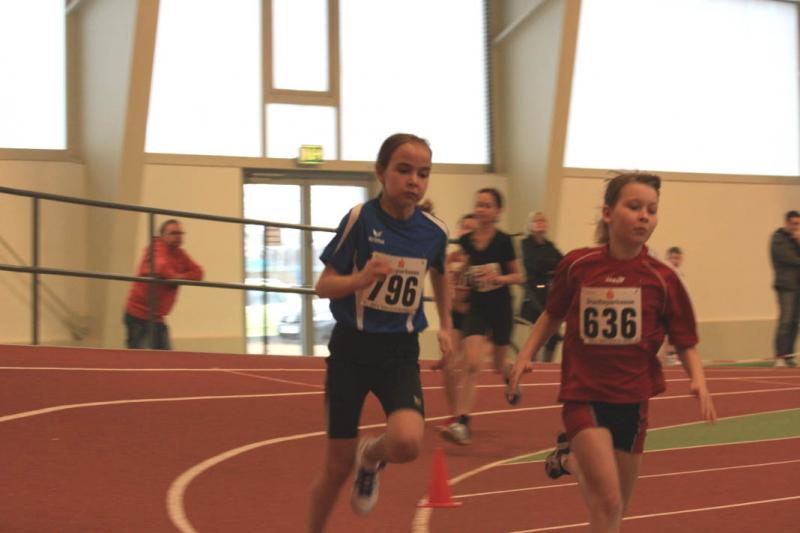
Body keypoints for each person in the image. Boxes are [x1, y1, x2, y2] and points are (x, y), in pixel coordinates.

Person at [510, 172, 716, 533]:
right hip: (585, 395)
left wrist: (698, 380)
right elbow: (553, 314)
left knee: (616, 507)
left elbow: (684, 339)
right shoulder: (579, 265)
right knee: (608, 501)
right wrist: (525, 354)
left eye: (651, 210)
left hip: (633, 403)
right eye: (634, 207)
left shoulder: (663, 278)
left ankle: (570, 461)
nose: (644, 216)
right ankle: (575, 456)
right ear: (608, 213)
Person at [308, 133, 452, 532]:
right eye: (403, 170)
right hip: (351, 350)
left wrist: (447, 325)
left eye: (423, 173)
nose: (414, 181)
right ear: (380, 172)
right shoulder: (360, 219)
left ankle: (370, 457)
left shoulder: (435, 232)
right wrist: (359, 279)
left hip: (398, 352)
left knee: (407, 442)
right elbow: (323, 286)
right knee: (336, 466)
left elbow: (441, 274)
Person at [441, 188, 525, 446]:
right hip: (477, 308)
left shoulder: (503, 241)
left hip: (500, 308)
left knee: (498, 365)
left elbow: (519, 276)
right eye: (479, 204)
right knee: (472, 363)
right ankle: (462, 423)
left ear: (498, 211)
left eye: (487, 205)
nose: (481, 209)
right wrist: (456, 271)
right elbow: (460, 263)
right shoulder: (466, 241)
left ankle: (509, 373)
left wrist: (498, 278)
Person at [123, 219, 204, 349]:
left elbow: (199, 273)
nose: (178, 236)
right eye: (173, 233)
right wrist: (176, 276)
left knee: (165, 357)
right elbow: (160, 267)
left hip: (157, 317)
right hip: (138, 315)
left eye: (180, 233)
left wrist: (180, 277)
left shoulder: (180, 254)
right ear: (163, 236)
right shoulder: (154, 248)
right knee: (140, 357)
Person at [520, 211, 563, 363]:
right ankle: (531, 360)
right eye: (536, 221)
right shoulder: (526, 244)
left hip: (548, 291)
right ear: (530, 226)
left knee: (553, 334)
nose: (540, 223)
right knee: (536, 332)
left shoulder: (550, 246)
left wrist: (550, 268)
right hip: (534, 293)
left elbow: (562, 263)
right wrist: (550, 267)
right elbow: (534, 264)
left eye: (543, 220)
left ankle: (547, 364)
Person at [770, 210, 800, 368]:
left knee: (795, 322)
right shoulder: (778, 238)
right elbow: (791, 259)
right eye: (794, 223)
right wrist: (797, 242)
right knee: (786, 321)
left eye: (799, 224)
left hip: (797, 285)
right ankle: (780, 356)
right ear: (787, 223)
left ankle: (789, 356)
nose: (797, 227)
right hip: (786, 286)